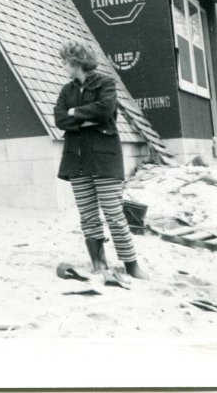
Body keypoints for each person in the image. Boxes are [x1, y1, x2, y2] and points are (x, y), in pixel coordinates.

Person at [53, 40, 148, 282]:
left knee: (114, 214)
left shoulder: (106, 83)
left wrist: (75, 114)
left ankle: (132, 265)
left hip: (105, 158)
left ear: (76, 62)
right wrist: (84, 116)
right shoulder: (67, 90)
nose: (63, 66)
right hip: (77, 159)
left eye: (65, 61)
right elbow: (60, 120)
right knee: (87, 215)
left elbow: (106, 111)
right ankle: (98, 263)